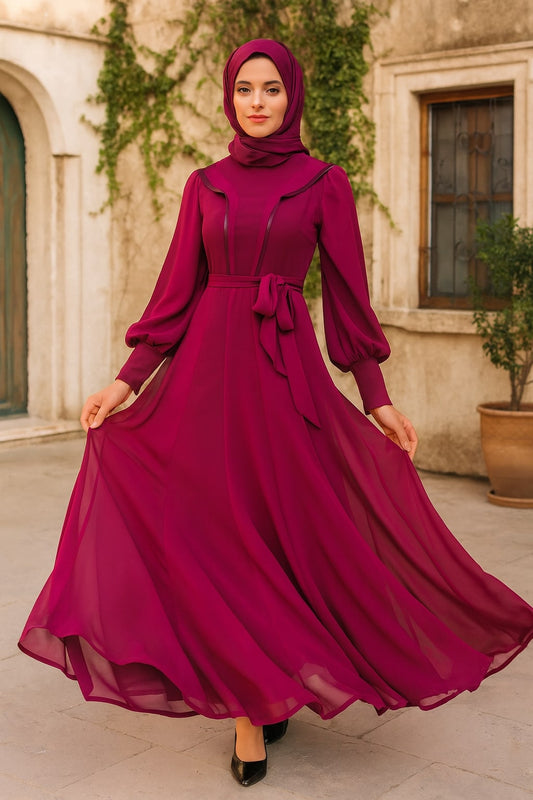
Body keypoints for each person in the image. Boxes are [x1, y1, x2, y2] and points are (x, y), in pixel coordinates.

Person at [19, 39, 533, 788]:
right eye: (243, 90)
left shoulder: (323, 183)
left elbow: (351, 302)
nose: (256, 102)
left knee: (285, 539)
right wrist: (124, 384)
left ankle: (275, 676)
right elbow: (173, 300)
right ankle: (249, 711)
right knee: (212, 538)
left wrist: (377, 399)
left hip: (283, 383)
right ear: (230, 99)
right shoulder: (204, 185)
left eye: (270, 90)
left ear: (290, 98)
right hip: (202, 383)